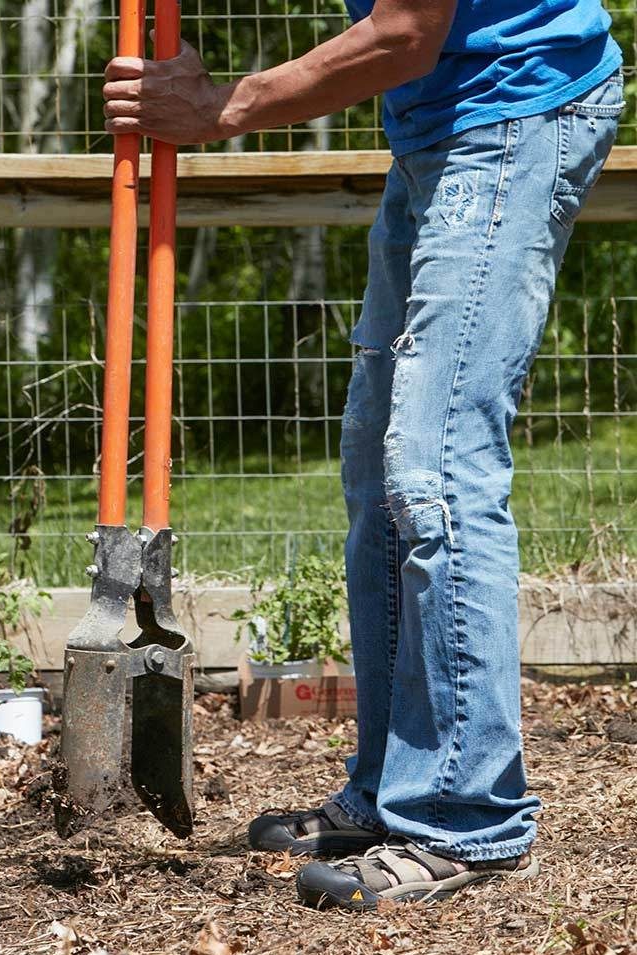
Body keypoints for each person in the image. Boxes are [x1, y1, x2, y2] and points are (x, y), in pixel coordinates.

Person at [103, 0, 622, 909]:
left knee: (439, 469)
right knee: (379, 476)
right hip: (437, 121)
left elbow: (403, 30)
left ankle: (468, 817)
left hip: (513, 110)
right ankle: (392, 790)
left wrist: (222, 105)